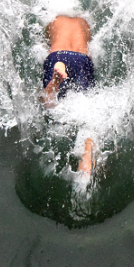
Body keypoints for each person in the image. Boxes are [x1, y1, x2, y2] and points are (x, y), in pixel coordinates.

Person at [41, 15, 96, 174]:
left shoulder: (53, 20)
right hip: (83, 59)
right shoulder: (84, 23)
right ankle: (87, 154)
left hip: (57, 55)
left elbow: (42, 48)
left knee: (48, 103)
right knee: (87, 109)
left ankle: (55, 81)